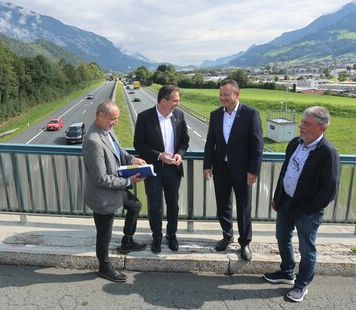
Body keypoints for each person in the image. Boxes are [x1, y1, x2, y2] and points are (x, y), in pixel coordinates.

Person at [263, 106, 340, 302]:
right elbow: (285, 171)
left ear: (322, 128)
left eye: (307, 124)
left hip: (308, 210)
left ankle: (301, 284)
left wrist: (308, 209)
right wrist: (277, 196)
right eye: (302, 122)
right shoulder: (295, 143)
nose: (301, 126)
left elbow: (329, 189)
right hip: (286, 202)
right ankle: (287, 271)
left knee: (307, 249)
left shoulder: (328, 152)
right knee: (282, 237)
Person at [83, 99, 148, 283]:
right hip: (103, 195)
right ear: (101, 116)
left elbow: (120, 153)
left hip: (116, 187)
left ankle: (127, 241)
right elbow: (100, 179)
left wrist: (133, 159)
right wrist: (128, 180)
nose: (116, 123)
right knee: (104, 235)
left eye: (117, 119)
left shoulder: (107, 131)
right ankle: (104, 268)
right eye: (113, 119)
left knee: (135, 205)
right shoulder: (93, 141)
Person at [203, 79, 263, 261]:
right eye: (220, 95)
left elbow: (257, 145)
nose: (222, 98)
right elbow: (210, 143)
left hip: (243, 171)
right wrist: (207, 166)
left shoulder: (250, 114)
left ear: (237, 94)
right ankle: (227, 236)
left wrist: (253, 171)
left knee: (244, 208)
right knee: (223, 205)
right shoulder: (215, 115)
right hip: (221, 168)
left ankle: (245, 243)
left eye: (226, 95)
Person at [134, 84, 190, 253]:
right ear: (164, 101)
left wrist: (180, 153)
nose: (178, 104)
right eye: (176, 100)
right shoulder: (144, 117)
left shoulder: (179, 115)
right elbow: (138, 144)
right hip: (154, 169)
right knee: (155, 205)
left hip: (173, 169)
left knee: (173, 204)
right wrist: (159, 155)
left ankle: (171, 235)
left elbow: (184, 141)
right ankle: (156, 236)